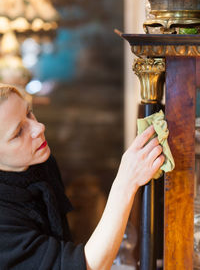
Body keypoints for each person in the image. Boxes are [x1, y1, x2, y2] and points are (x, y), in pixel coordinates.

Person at [0, 84, 165, 270]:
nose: (39, 127)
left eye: (29, 113)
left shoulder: (38, 164)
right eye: (18, 132)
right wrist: (126, 183)